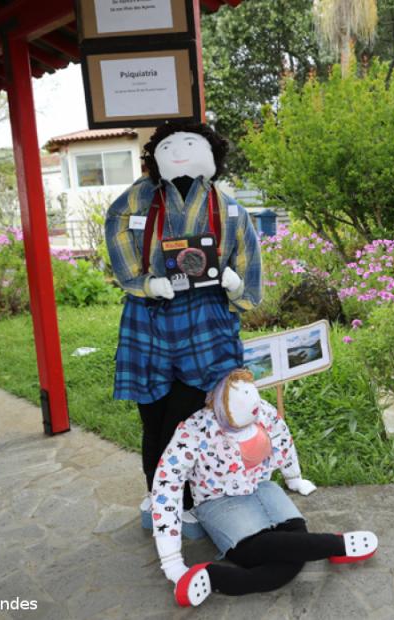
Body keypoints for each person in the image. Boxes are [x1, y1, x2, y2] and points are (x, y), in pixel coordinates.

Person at [105, 121, 262, 536]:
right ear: (154, 157)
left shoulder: (229, 208)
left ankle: (186, 498)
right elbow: (116, 226)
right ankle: (158, 495)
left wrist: (235, 283)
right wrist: (142, 282)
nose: (179, 151)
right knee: (152, 418)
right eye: (169, 146)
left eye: (191, 144)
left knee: (188, 419)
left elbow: (248, 271)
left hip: (205, 322)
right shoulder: (139, 200)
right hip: (149, 318)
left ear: (212, 157)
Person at [152, 369, 379, 607]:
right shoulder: (193, 431)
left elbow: (282, 437)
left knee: (295, 544)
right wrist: (171, 561)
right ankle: (335, 545)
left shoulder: (261, 409)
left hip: (262, 488)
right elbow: (166, 486)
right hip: (219, 499)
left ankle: (214, 577)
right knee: (256, 551)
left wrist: (293, 477)